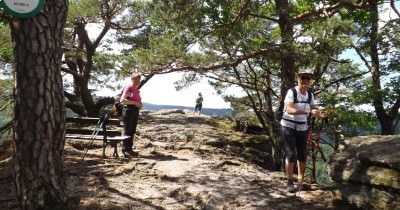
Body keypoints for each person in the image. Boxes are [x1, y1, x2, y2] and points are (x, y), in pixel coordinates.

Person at [280, 70, 327, 193]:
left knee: (302, 154)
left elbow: (313, 109)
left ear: (310, 81)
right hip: (288, 125)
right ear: (298, 79)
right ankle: (290, 182)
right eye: (303, 78)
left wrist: (319, 114)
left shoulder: (310, 95)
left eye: (307, 78)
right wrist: (305, 112)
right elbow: (289, 109)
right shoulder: (292, 92)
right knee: (291, 154)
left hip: (302, 127)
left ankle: (300, 180)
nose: (305, 80)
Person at [120, 72, 143, 157]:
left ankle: (130, 149)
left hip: (135, 111)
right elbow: (122, 100)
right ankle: (126, 149)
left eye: (139, 80)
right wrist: (136, 103)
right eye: (136, 79)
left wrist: (140, 104)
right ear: (132, 79)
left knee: (132, 131)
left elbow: (138, 102)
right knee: (128, 130)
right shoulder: (129, 87)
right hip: (128, 110)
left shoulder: (136, 89)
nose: (138, 81)